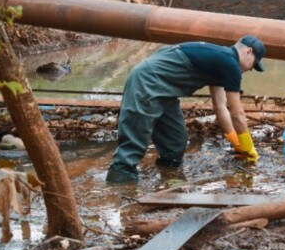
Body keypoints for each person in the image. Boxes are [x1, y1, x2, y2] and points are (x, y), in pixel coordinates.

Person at [106, 35, 266, 183]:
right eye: (254, 64)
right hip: (148, 82)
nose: (251, 69)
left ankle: (167, 179)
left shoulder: (221, 61)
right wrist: (249, 148)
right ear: (248, 52)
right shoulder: (230, 63)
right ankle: (120, 192)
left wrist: (236, 142)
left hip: (166, 91)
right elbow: (237, 113)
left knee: (175, 142)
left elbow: (220, 106)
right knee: (133, 143)